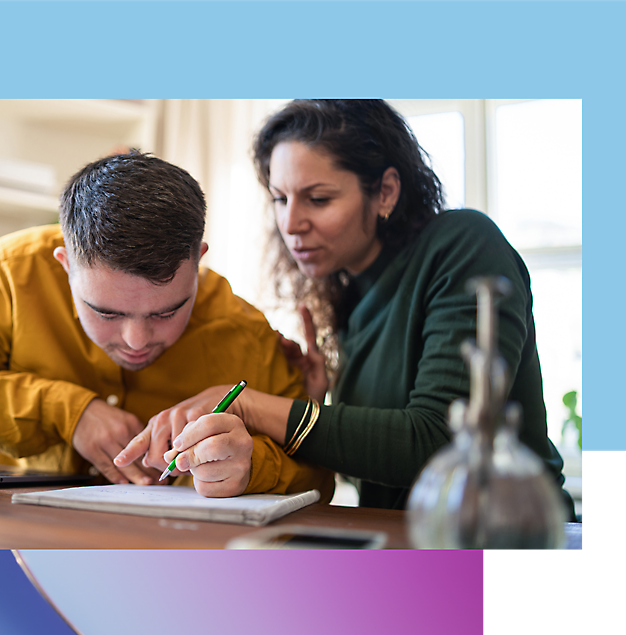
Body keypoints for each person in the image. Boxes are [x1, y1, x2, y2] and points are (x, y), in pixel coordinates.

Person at [118, 99, 573, 516]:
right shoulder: (348, 297)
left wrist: (257, 408)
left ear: (386, 192)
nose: (291, 223)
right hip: (408, 543)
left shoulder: (463, 245)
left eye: (318, 199)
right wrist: (315, 397)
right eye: (280, 199)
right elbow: (375, 467)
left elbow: (438, 444)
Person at [0, 151, 332, 499]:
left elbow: (318, 478)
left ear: (198, 260)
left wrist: (251, 468)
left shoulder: (245, 332)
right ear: (65, 264)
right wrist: (67, 411)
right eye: (107, 313)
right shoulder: (13, 271)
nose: (136, 341)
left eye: (166, 312)